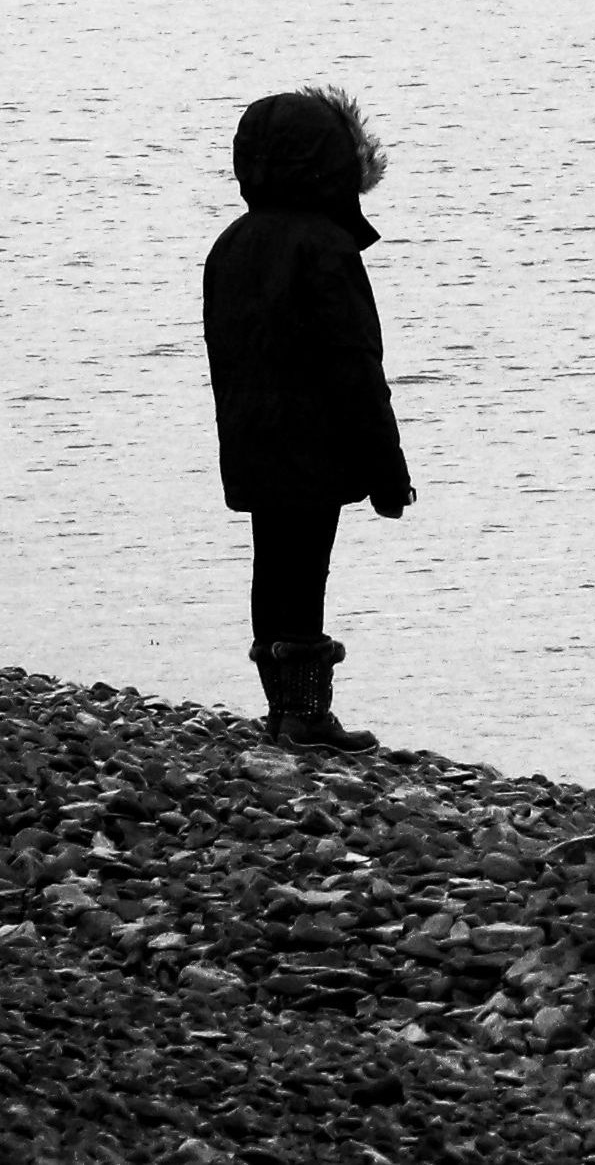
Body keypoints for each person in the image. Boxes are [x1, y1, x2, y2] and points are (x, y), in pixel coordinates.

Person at [201, 83, 416, 751]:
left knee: (273, 567)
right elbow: (354, 364)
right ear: (334, 165)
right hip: (313, 443)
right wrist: (387, 469)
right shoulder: (325, 247)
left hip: (248, 438)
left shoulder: (231, 245)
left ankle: (281, 709)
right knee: (304, 569)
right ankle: (305, 716)